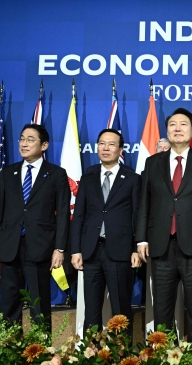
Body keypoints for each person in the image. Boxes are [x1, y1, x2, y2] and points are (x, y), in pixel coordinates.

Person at [136, 108, 192, 343]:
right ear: (166, 130)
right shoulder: (153, 162)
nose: (177, 128)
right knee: (162, 309)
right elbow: (145, 203)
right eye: (173, 124)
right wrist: (141, 239)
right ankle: (165, 359)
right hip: (161, 246)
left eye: (183, 124)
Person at [0, 124, 70, 330]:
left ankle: (40, 351)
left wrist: (59, 248)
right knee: (8, 302)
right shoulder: (8, 172)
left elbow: (62, 215)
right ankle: (8, 350)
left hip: (40, 246)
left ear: (44, 145)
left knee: (39, 302)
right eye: (22, 138)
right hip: (9, 245)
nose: (24, 143)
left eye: (30, 139)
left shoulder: (57, 174)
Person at [70, 129, 141, 335]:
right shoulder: (89, 176)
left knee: (120, 310)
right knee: (91, 310)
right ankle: (91, 357)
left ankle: (123, 357)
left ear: (120, 149)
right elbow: (79, 217)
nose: (106, 148)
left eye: (111, 144)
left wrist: (136, 248)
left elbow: (137, 216)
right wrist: (76, 250)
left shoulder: (132, 178)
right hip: (91, 251)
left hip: (120, 252)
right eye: (102, 143)